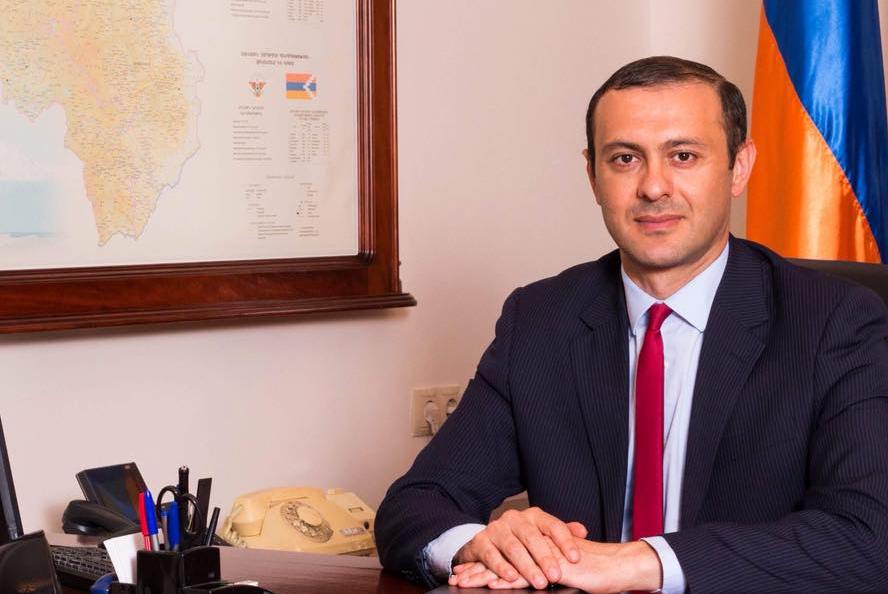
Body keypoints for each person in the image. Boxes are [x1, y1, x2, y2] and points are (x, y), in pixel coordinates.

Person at [374, 56, 888, 593]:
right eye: (625, 159)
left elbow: (868, 539)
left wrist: (639, 562)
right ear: (593, 176)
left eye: (683, 156)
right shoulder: (541, 320)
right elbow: (415, 505)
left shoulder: (833, 322)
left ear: (739, 167)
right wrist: (481, 544)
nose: (653, 187)